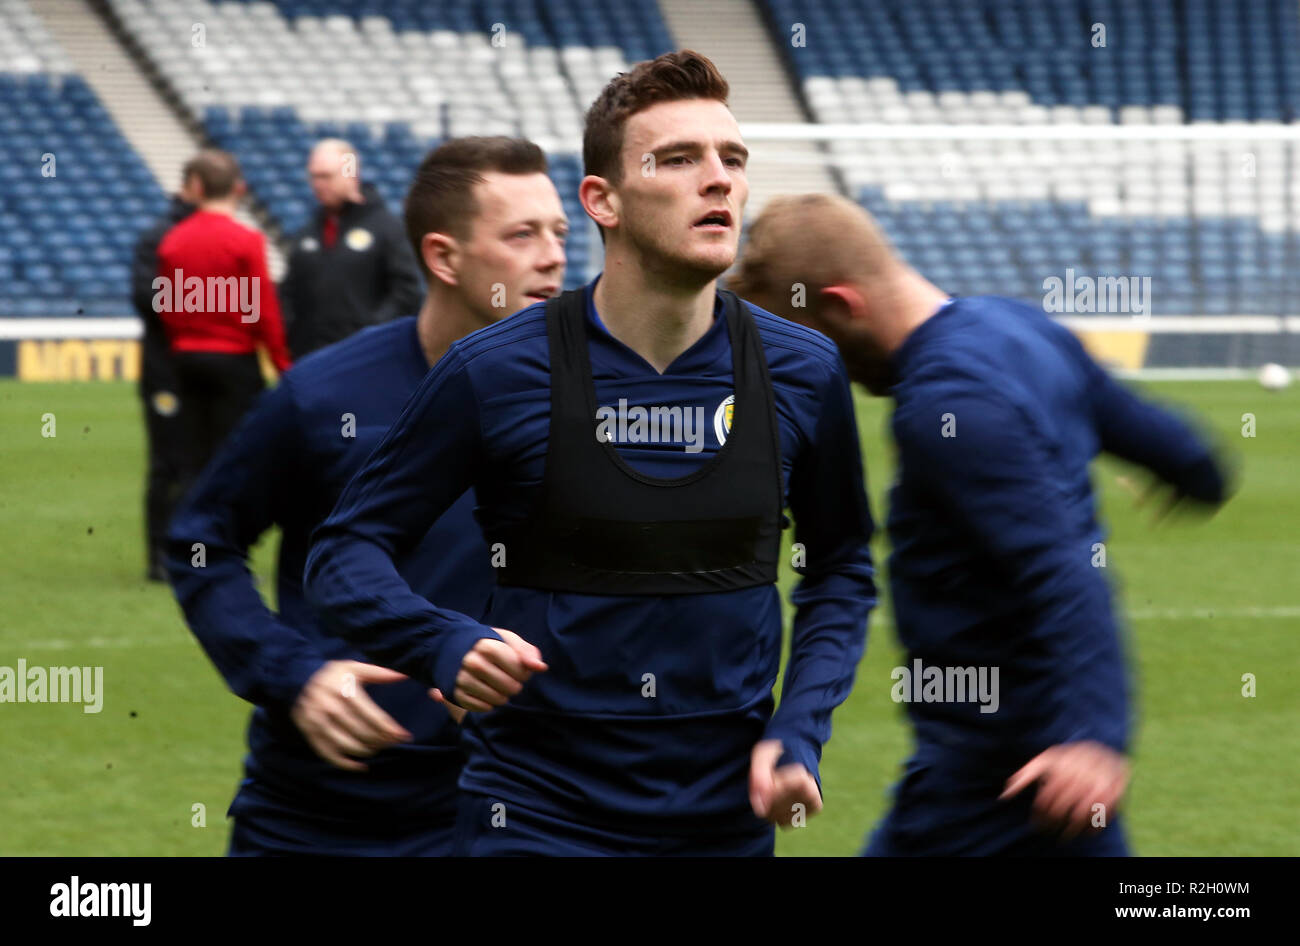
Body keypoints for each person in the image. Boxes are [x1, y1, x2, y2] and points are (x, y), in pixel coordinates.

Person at [305, 51, 877, 857]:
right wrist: (439, 640)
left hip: (725, 826)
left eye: (732, 160)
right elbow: (344, 551)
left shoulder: (805, 370)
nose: (718, 180)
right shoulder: (494, 371)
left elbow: (843, 564)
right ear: (601, 200)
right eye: (677, 159)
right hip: (536, 821)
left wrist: (800, 727)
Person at [728, 193, 1232, 856]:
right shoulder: (1017, 325)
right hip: (1024, 758)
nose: (837, 378)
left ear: (844, 306)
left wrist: (1096, 736)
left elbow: (1062, 567)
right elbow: (1176, 448)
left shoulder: (946, 403)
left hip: (998, 768)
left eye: (826, 354)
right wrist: (1195, 474)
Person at [166, 137, 568, 856]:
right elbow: (200, 545)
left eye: (559, 233)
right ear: (444, 258)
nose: (554, 256)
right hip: (315, 813)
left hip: (505, 810)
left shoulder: (588, 406)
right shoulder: (323, 395)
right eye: (522, 234)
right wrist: (296, 676)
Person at [155, 149, 292, 499]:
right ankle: (222, 542)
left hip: (186, 361)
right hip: (235, 364)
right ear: (239, 189)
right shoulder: (246, 241)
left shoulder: (172, 242)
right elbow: (262, 311)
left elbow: (167, 308)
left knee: (194, 461)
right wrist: (282, 365)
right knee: (235, 459)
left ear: (196, 188)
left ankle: (189, 542)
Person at [280, 139, 423, 359]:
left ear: (351, 174)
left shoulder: (387, 228)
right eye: (314, 176)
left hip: (366, 360)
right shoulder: (307, 233)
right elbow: (289, 292)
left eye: (326, 176)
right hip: (310, 359)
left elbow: (407, 292)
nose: (317, 184)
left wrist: (369, 333)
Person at [131, 160, 198, 581]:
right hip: (166, 371)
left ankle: (199, 555)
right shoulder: (159, 237)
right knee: (168, 463)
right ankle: (160, 556)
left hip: (206, 371)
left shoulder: (219, 235)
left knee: (206, 465)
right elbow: (146, 296)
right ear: (193, 187)